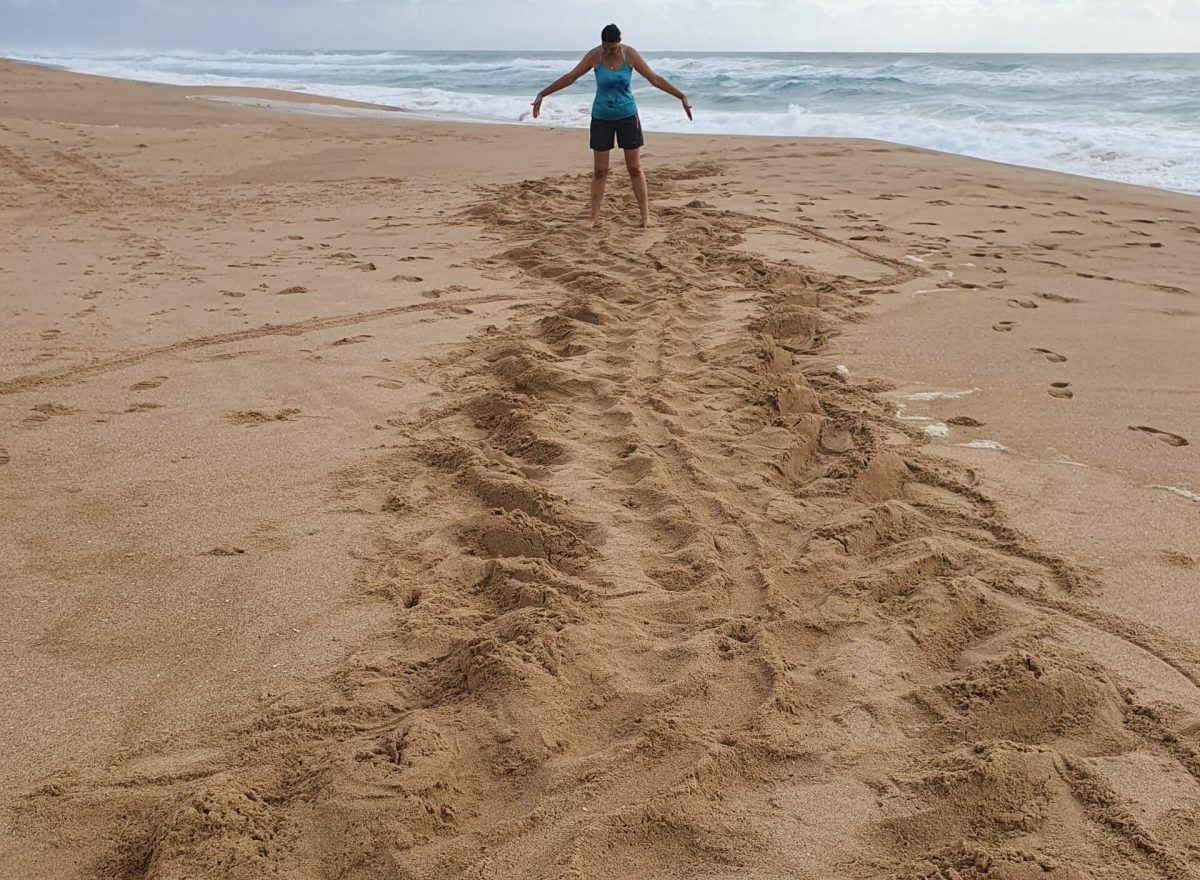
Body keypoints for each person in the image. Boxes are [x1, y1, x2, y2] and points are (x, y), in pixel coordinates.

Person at [532, 23, 692, 228]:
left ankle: (645, 217)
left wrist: (682, 96)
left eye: (613, 48)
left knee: (634, 168)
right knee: (600, 171)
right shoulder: (594, 56)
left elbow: (654, 79)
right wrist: (543, 93)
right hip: (601, 118)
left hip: (628, 117)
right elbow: (570, 77)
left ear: (620, 42)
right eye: (606, 47)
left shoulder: (630, 54)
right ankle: (593, 218)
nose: (609, 51)